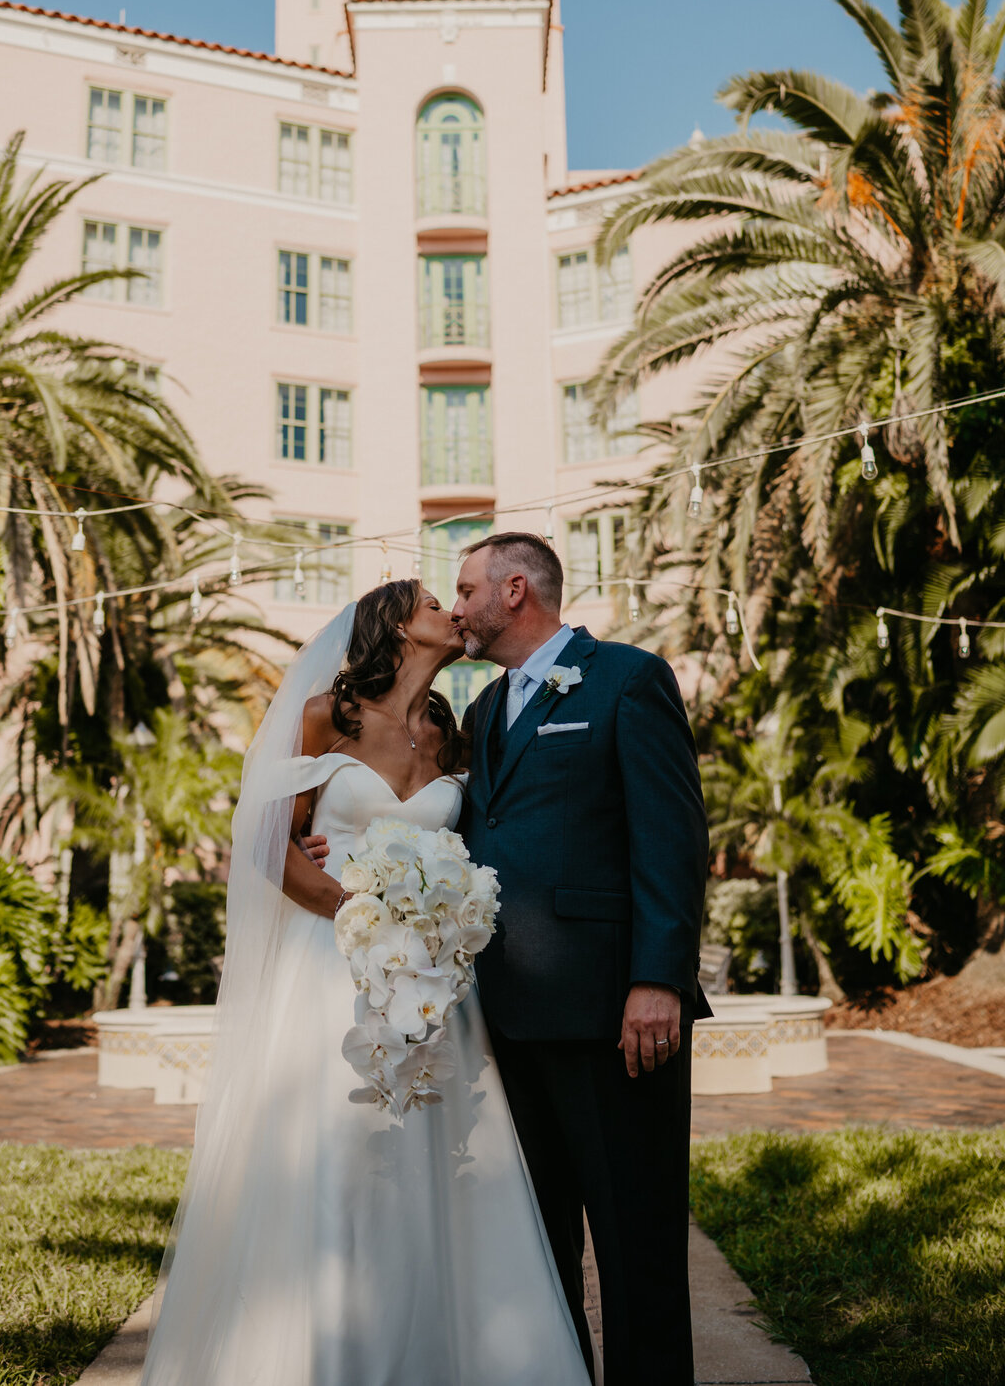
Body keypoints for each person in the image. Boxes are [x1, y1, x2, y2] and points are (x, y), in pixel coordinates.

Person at [139, 579, 591, 1386]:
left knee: (449, 1164)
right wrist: (353, 910)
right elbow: (264, 841)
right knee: (343, 1157)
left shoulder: (453, 731)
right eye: (430, 602)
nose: (451, 611)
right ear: (393, 626)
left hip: (435, 989)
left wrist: (441, 926)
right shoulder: (326, 717)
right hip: (331, 970)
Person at [453, 531, 710, 1386]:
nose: (456, 611)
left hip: (612, 1014)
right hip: (508, 1022)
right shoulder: (484, 712)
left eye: (465, 592)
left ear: (515, 590)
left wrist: (658, 978)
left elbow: (671, 841)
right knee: (538, 1243)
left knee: (634, 1238)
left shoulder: (628, 679)